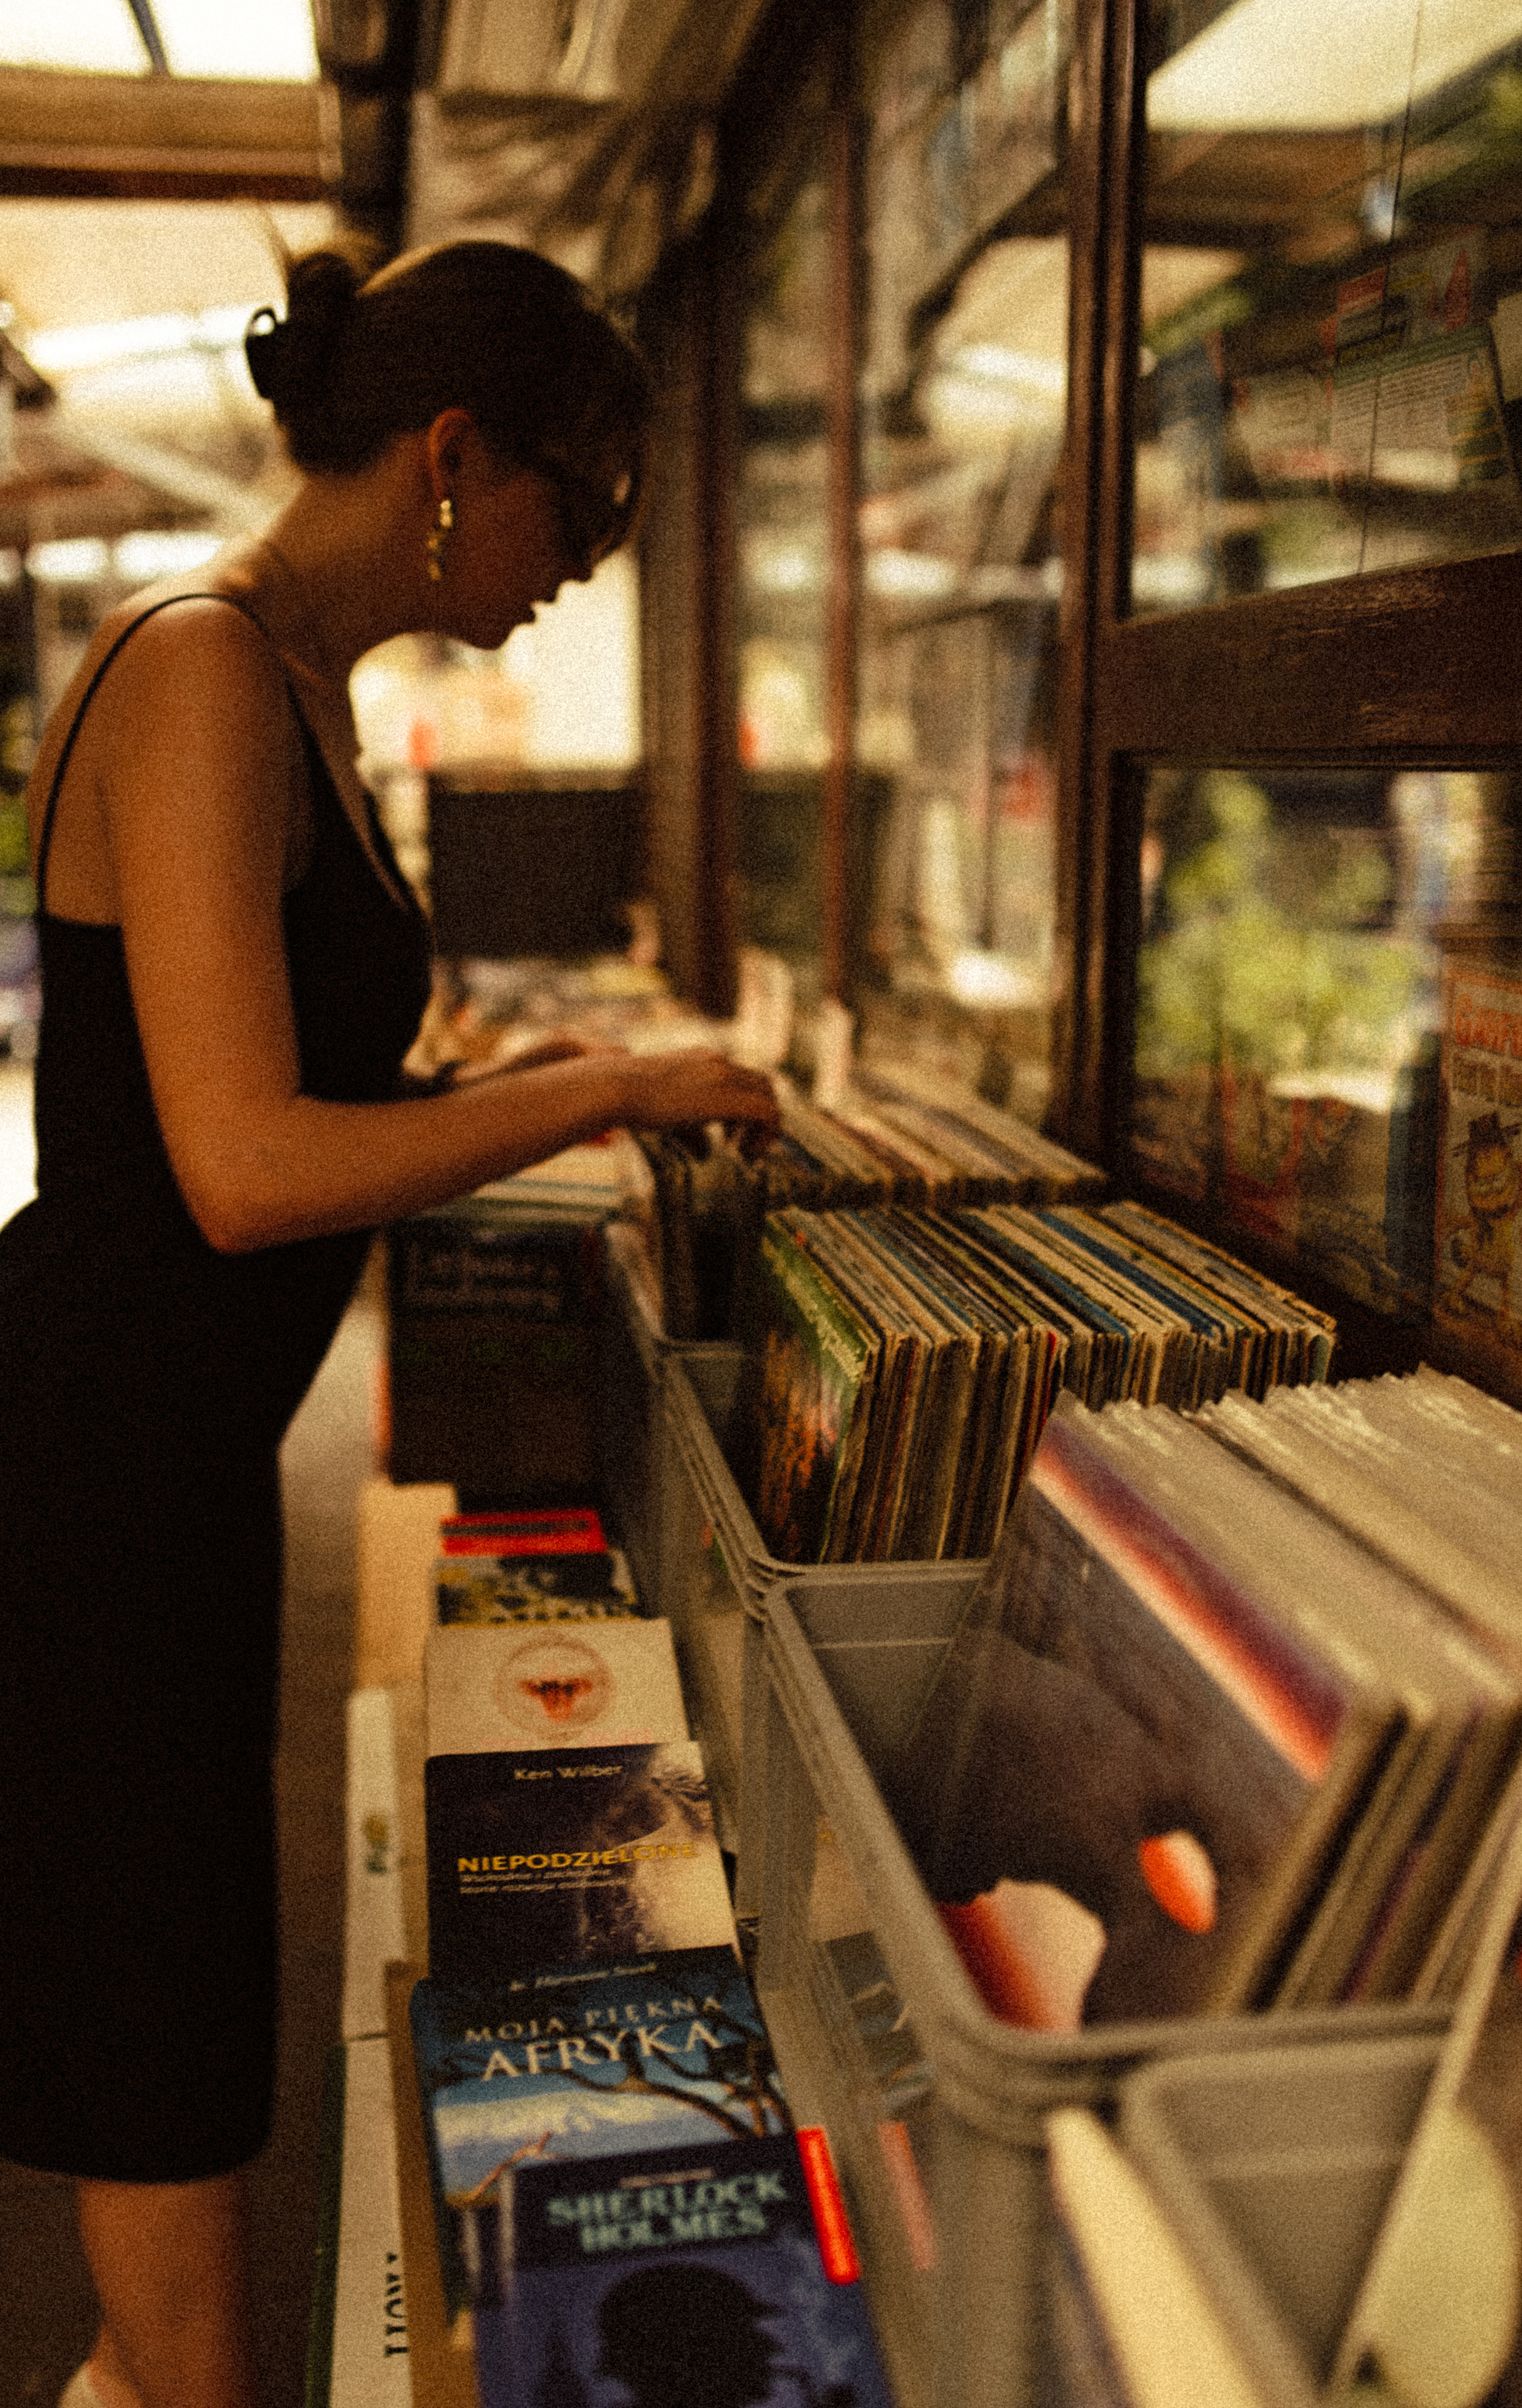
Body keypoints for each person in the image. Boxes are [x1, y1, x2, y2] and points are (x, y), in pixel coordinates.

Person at [0, 237, 778, 2408]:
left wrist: (572, 1105)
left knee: (180, 2005)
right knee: (160, 2041)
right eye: (582, 510)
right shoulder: (198, 673)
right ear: (454, 458)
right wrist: (600, 1086)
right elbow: (244, 1162)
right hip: (86, 1458)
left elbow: (299, 1123)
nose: (581, 569)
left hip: (172, 1447)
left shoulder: (298, 688)